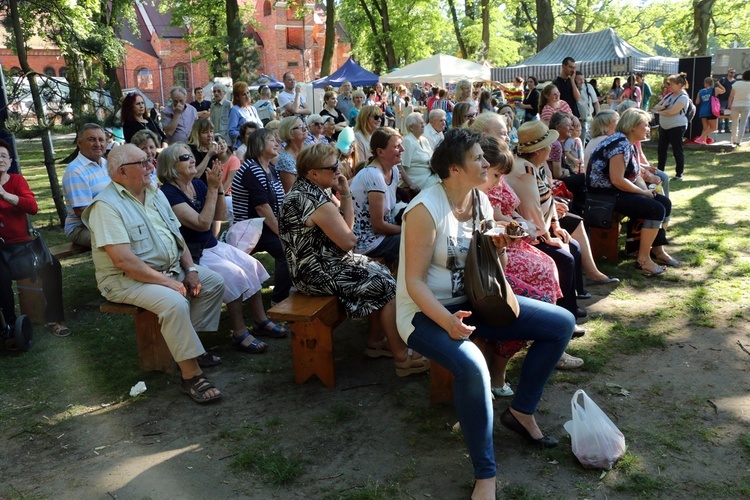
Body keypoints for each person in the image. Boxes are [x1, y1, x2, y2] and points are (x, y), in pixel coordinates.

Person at [397, 128, 575, 500]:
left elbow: (497, 264)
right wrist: (447, 322)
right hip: (424, 312)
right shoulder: (424, 210)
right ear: (454, 168)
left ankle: (522, 412)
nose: (485, 162)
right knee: (473, 366)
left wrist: (501, 244)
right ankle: (486, 476)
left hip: (475, 301)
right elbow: (414, 283)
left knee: (562, 324)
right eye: (477, 157)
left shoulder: (478, 199)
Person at [82, 144, 225, 404]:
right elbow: (123, 261)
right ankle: (191, 376)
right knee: (174, 303)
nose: (151, 166)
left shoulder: (154, 193)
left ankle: (190, 348)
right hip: (124, 280)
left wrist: (190, 269)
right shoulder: (106, 206)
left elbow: (176, 236)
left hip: (166, 269)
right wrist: (168, 282)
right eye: (144, 163)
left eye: (150, 160)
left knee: (213, 282)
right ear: (122, 173)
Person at [278, 143, 429, 375]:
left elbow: (348, 228)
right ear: (313, 173)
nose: (338, 170)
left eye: (337, 164)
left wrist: (345, 192)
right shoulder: (312, 199)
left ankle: (376, 342)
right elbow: (349, 241)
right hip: (316, 272)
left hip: (320, 265)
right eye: (332, 167)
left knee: (382, 273)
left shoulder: (314, 189)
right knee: (386, 285)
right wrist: (347, 232)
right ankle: (401, 357)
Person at [158, 143, 284, 351]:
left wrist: (217, 190)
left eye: (191, 156)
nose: (192, 160)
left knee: (251, 265)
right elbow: (202, 223)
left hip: (213, 245)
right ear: (170, 166)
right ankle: (240, 332)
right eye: (184, 158)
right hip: (193, 252)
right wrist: (213, 189)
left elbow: (220, 216)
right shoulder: (169, 194)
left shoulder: (197, 185)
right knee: (233, 275)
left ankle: (260, 321)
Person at [587, 108, 676, 275]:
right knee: (655, 208)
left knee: (663, 202)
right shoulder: (619, 145)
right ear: (633, 126)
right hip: (604, 195)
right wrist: (643, 194)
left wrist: (648, 185)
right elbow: (617, 180)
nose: (648, 128)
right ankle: (643, 260)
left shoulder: (628, 142)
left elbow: (633, 174)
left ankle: (657, 250)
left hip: (615, 190)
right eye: (645, 125)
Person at [0, 139, 69, 338]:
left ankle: (54, 319)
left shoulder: (16, 181)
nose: (0, 160)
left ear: (10, 160)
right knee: (1, 278)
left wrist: (6, 195)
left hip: (22, 245)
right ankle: (10, 327)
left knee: (51, 264)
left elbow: (33, 207)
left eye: (3, 156)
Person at [231, 129, 292, 306]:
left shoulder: (270, 168)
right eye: (271, 140)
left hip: (264, 226)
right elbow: (262, 208)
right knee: (288, 250)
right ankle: (280, 300)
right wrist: (282, 233)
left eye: (276, 140)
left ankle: (294, 287)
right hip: (251, 229)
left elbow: (279, 201)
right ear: (259, 144)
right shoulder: (252, 169)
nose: (277, 143)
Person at [350, 127, 402, 264]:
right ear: (380, 152)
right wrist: (407, 229)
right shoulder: (374, 175)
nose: (402, 149)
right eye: (397, 146)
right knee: (416, 239)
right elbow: (378, 226)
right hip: (366, 242)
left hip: (382, 235)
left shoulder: (394, 171)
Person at [63, 123, 111, 247]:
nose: (98, 144)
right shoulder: (75, 170)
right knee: (117, 238)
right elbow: (82, 212)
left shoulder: (107, 164)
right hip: (80, 228)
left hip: (108, 221)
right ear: (79, 143)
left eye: (101, 140)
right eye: (91, 139)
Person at [652, 72, 690, 180]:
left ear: (679, 84)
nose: (670, 86)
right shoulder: (669, 95)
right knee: (661, 150)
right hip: (664, 126)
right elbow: (656, 106)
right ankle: (660, 172)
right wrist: (663, 107)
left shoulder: (683, 97)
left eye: (672, 84)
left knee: (677, 150)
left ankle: (679, 174)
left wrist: (659, 111)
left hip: (677, 126)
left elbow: (672, 112)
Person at [400, 112, 437, 193]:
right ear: (411, 127)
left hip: (429, 177)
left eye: (423, 123)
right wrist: (410, 184)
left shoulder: (424, 140)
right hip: (418, 181)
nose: (423, 125)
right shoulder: (408, 141)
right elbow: (401, 167)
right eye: (420, 123)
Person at [228, 81, 264, 149]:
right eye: (243, 94)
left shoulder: (253, 109)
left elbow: (260, 126)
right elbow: (231, 132)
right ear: (237, 97)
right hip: (243, 147)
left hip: (256, 144)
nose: (247, 96)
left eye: (248, 92)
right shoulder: (235, 110)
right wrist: (245, 134)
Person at [276, 116, 308, 192]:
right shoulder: (285, 160)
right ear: (289, 132)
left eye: (304, 125)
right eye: (300, 127)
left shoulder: (307, 151)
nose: (304, 129)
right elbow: (292, 193)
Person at [695, 77, 725, 145]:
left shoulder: (700, 91)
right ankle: (701, 138)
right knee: (714, 127)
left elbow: (697, 102)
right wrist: (718, 83)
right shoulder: (715, 90)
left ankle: (703, 142)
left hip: (702, 111)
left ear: (705, 83)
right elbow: (723, 90)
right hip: (711, 111)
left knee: (705, 128)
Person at [728, 69, 750, 147]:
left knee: (734, 123)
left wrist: (729, 105)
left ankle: (733, 139)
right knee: (743, 124)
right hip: (746, 105)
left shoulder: (736, 83)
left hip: (735, 105)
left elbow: (731, 96)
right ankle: (739, 141)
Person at [576, 71, 600, 140]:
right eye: (579, 79)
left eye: (583, 79)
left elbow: (596, 103)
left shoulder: (588, 87)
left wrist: (598, 117)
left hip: (589, 120)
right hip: (577, 122)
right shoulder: (571, 88)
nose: (582, 81)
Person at [718, 68, 736, 134]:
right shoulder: (723, 80)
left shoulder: (735, 82)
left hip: (731, 100)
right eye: (731, 72)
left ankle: (727, 128)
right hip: (722, 99)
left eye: (733, 72)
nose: (732, 74)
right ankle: (719, 128)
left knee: (728, 114)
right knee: (721, 114)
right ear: (728, 73)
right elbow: (718, 87)